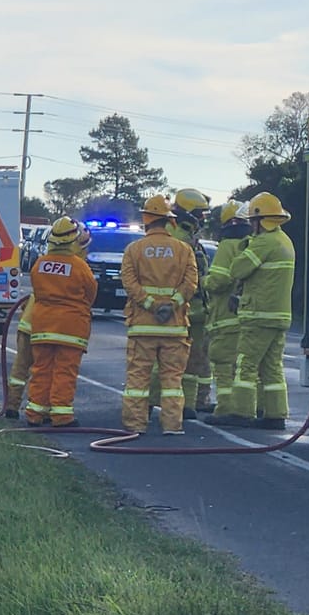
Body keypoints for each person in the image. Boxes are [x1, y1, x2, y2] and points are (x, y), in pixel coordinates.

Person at [213, 191, 294, 430]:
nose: (250, 225)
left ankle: (241, 412)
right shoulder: (284, 241)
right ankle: (275, 415)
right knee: (272, 367)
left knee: (246, 365)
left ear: (260, 220)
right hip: (279, 316)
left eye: (251, 221)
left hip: (258, 316)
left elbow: (237, 269)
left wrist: (245, 246)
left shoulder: (263, 243)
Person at [120, 194, 199, 434]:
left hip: (143, 327)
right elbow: (191, 283)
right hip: (174, 327)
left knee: (138, 380)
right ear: (168, 221)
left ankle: (135, 425)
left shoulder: (134, 250)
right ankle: (172, 426)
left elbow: (129, 282)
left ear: (146, 220)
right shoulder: (183, 249)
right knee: (172, 381)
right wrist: (172, 304)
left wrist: (151, 304)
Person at [23, 215, 97, 428]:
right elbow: (90, 294)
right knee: (64, 371)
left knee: (41, 369)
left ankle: (35, 413)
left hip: (42, 326)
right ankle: (61, 416)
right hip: (71, 328)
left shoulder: (40, 264)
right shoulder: (80, 266)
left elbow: (37, 291)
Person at [202, 200, 250, 422]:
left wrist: (203, 281)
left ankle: (226, 409)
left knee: (223, 364)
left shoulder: (228, 245)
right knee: (246, 368)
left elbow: (220, 280)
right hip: (247, 316)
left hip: (225, 317)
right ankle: (252, 407)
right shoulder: (253, 243)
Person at [169, 186, 214, 413]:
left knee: (197, 359)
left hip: (197, 310)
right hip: (183, 309)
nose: (202, 220)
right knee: (182, 360)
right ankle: (183, 404)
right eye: (199, 214)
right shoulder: (178, 239)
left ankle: (196, 401)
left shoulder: (188, 237)